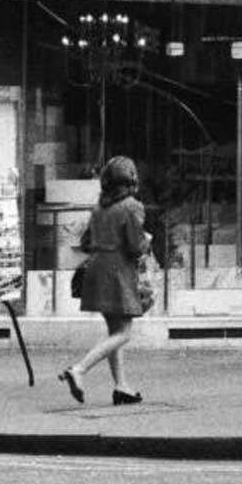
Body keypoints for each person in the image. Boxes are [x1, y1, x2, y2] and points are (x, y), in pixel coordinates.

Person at [59, 156, 148, 406]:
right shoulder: (132, 206)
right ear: (130, 180)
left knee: (114, 330)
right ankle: (79, 369)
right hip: (117, 271)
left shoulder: (99, 207)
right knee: (124, 333)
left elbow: (86, 242)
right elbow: (135, 246)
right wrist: (146, 242)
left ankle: (122, 387)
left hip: (96, 268)